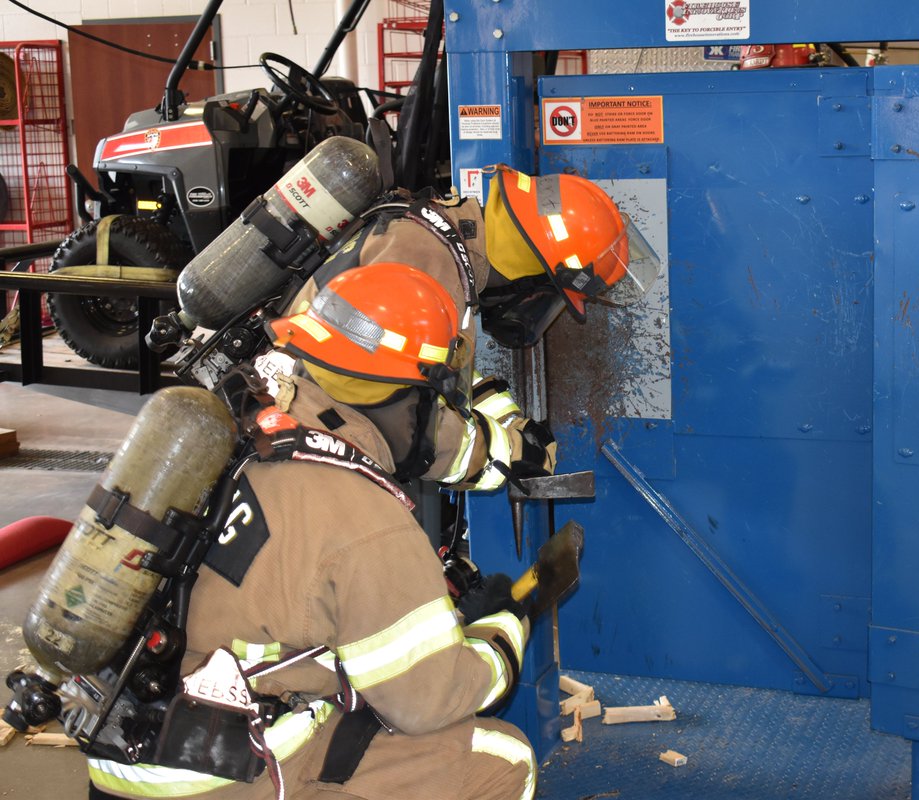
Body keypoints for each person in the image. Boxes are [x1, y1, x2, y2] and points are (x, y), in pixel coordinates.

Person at [88, 263, 535, 800]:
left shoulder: (237, 427)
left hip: (119, 752)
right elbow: (426, 701)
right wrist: (501, 632)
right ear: (409, 398)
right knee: (501, 759)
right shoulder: (363, 514)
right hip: (222, 776)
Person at [282, 164, 662, 492]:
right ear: (532, 276)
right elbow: (401, 431)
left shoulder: (437, 232)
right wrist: (510, 453)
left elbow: (415, 361)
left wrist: (505, 415)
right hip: (307, 453)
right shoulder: (429, 261)